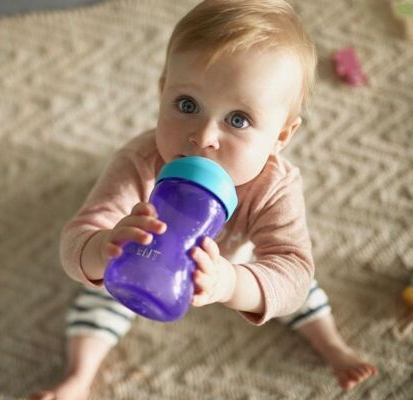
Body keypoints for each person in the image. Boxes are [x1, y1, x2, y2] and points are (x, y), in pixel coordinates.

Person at [31, 1, 377, 398]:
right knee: (100, 297)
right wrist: (103, 246)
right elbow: (77, 237)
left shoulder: (274, 186)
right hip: (143, 256)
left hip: (238, 261)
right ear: (163, 92)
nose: (203, 137)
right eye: (187, 105)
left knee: (303, 292)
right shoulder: (140, 162)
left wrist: (232, 282)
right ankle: (79, 376)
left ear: (280, 137)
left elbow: (293, 270)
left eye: (238, 119)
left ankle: (332, 346)